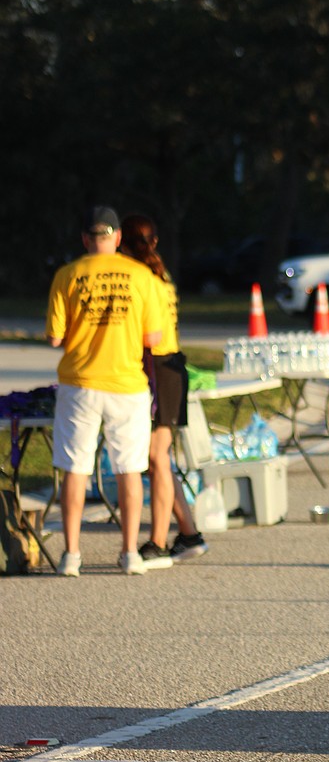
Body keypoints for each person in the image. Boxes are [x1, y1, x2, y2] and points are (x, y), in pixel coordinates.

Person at [46, 205, 162, 576]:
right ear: (116, 237)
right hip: (127, 385)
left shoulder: (67, 274)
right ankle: (129, 553)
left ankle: (71, 555)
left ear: (85, 238)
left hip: (79, 383)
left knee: (75, 468)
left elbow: (54, 337)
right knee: (129, 469)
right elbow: (154, 337)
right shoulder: (141, 275)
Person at [119, 214, 208, 565]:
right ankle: (189, 533)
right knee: (161, 459)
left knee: (157, 457)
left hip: (160, 368)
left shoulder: (141, 277)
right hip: (169, 367)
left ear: (124, 245)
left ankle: (156, 541)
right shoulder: (159, 271)